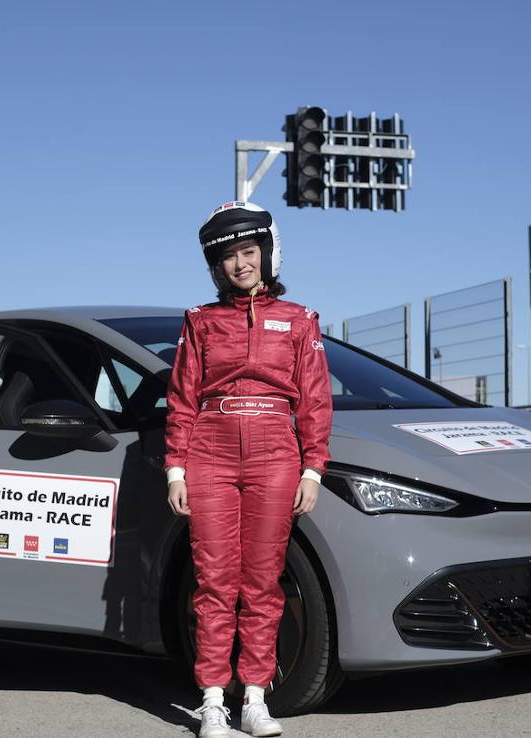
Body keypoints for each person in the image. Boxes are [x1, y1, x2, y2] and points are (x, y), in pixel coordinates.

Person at [165, 201, 332, 738]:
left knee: (262, 581)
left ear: (266, 253)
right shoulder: (200, 321)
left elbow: (314, 400)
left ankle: (255, 699)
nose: (240, 264)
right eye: (228, 257)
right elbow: (183, 397)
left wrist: (313, 469)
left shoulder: (300, 320)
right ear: (216, 267)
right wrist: (176, 471)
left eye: (247, 252)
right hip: (208, 454)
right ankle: (213, 700)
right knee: (215, 580)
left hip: (276, 456)